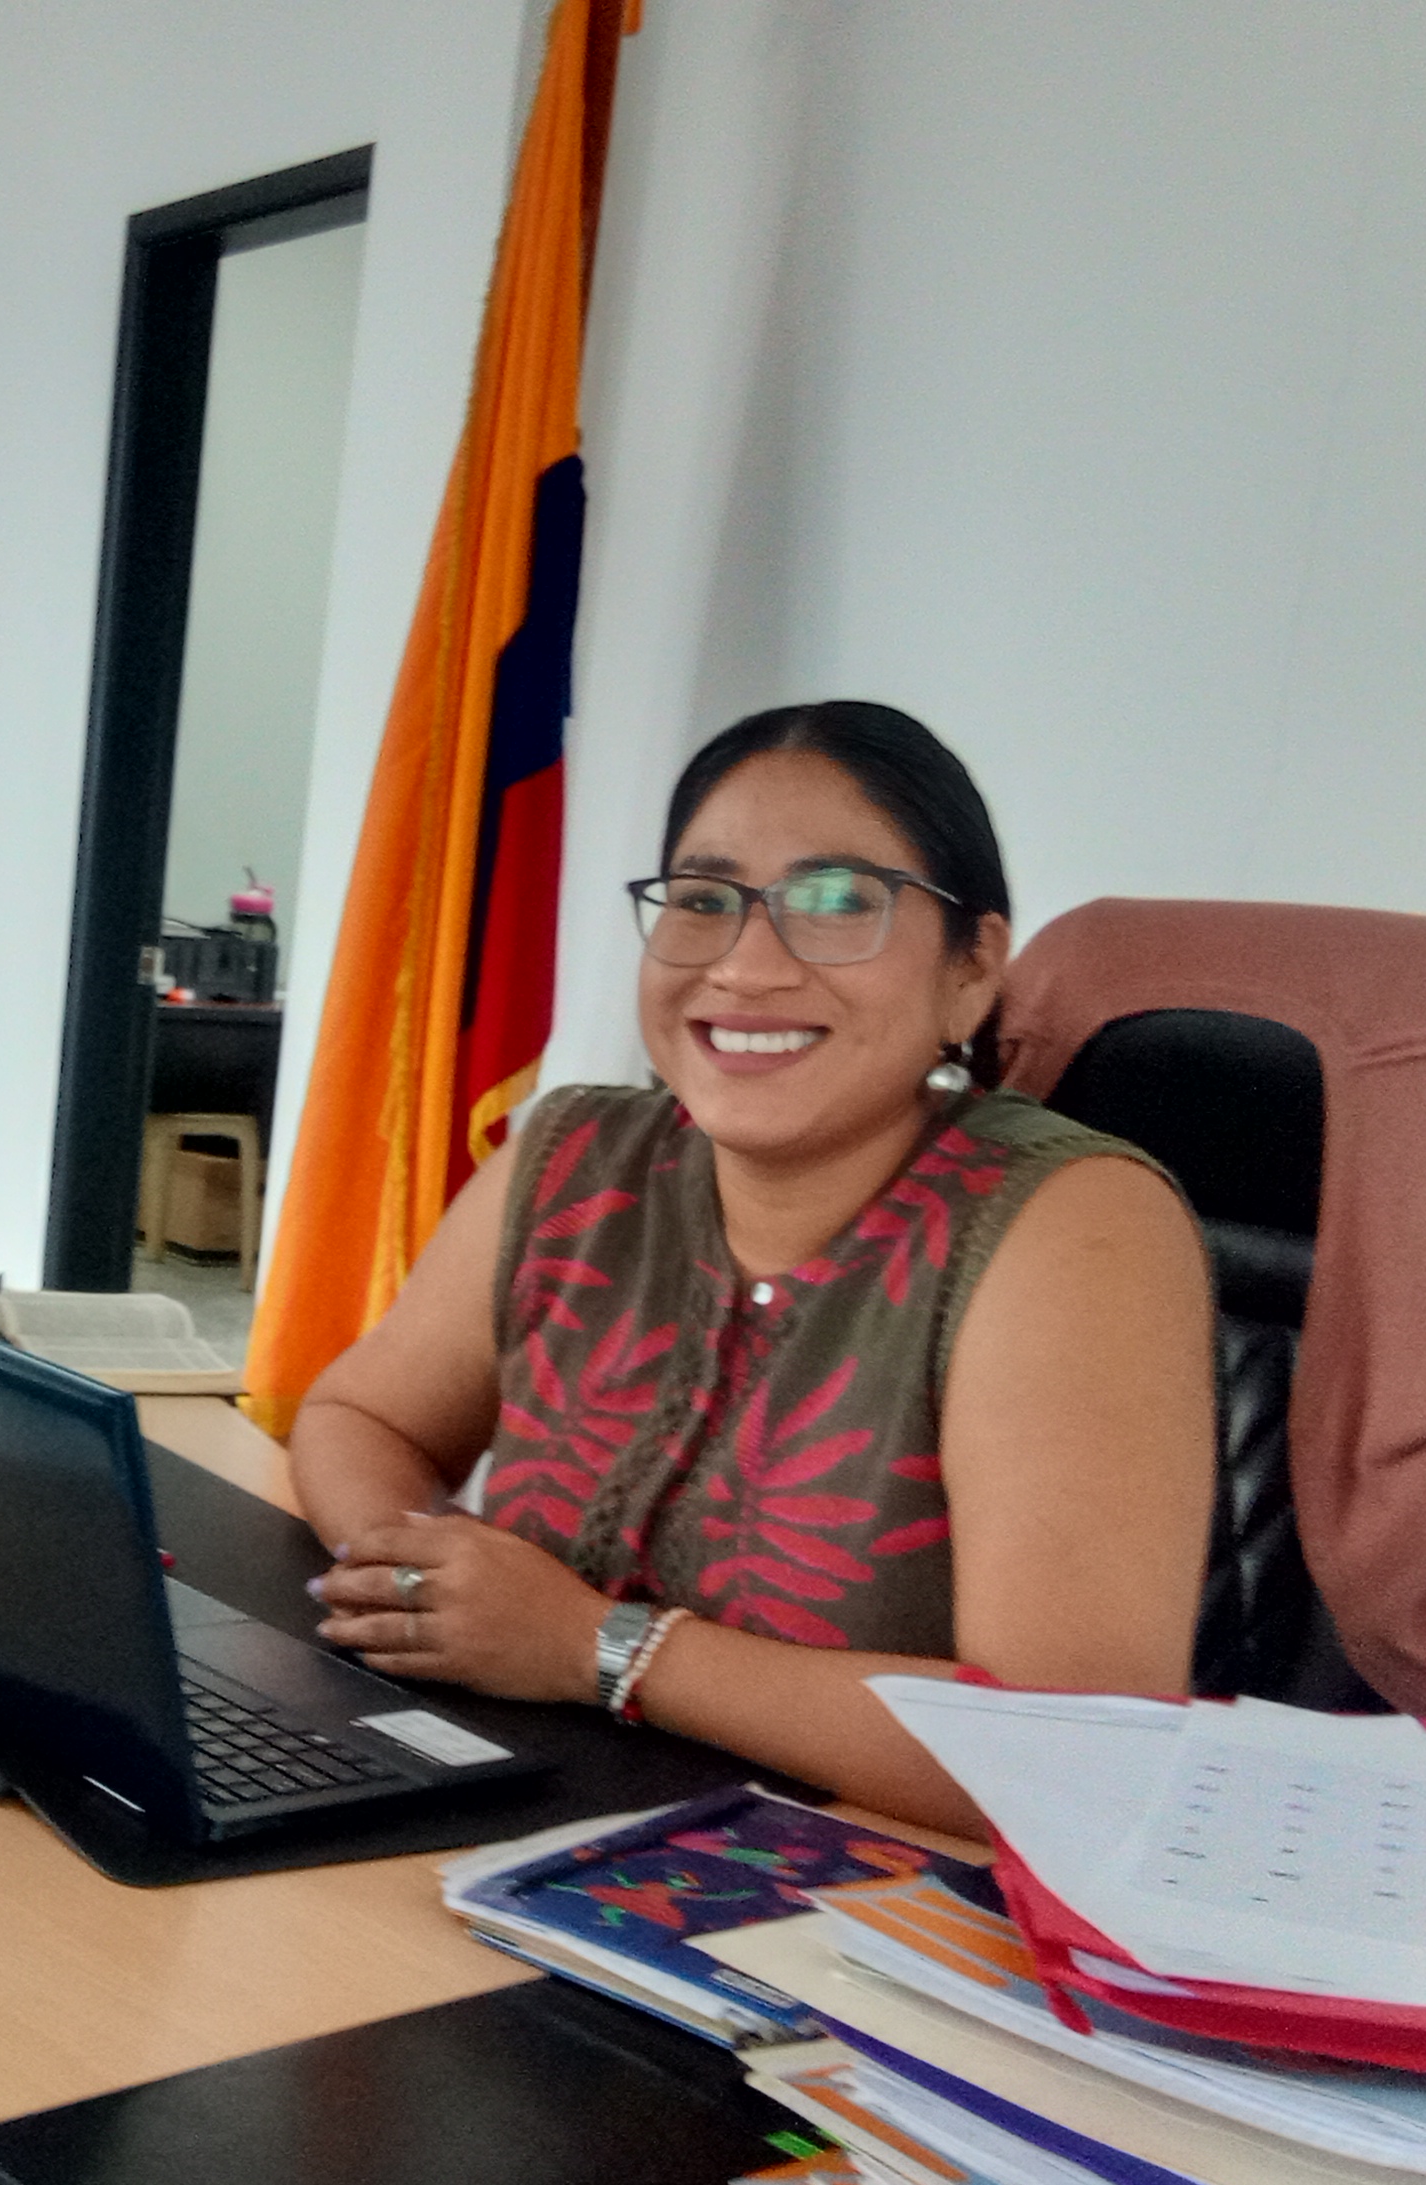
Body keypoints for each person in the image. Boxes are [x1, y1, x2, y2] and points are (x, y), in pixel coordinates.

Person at [293, 702, 1215, 1837]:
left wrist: (595, 1648)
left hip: (869, 1899)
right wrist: (419, 1591)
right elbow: (358, 1414)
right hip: (525, 1824)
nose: (744, 965)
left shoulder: (1070, 1225)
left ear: (972, 970)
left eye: (838, 903)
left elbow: (1072, 1752)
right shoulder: (577, 1159)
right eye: (703, 900)